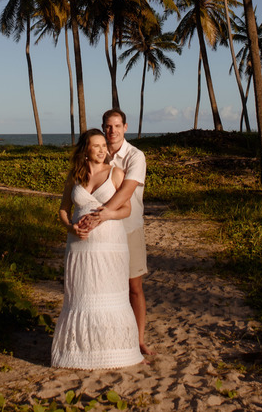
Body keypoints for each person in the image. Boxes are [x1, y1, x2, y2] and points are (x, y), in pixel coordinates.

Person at [50, 129, 143, 369]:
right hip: (79, 247)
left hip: (110, 246)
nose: (103, 150)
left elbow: (127, 210)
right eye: (96, 146)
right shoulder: (75, 175)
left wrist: (107, 214)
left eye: (104, 145)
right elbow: (63, 209)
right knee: (82, 295)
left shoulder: (116, 173)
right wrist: (71, 228)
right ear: (86, 149)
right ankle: (80, 352)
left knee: (109, 295)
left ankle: (113, 350)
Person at [86, 109, 151, 356]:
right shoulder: (98, 154)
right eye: (108, 126)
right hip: (101, 234)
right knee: (105, 288)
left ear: (125, 127)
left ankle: (139, 340)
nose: (112, 131)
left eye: (116, 126)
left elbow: (126, 191)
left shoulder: (135, 156)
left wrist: (100, 215)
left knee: (133, 286)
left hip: (128, 228)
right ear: (103, 128)